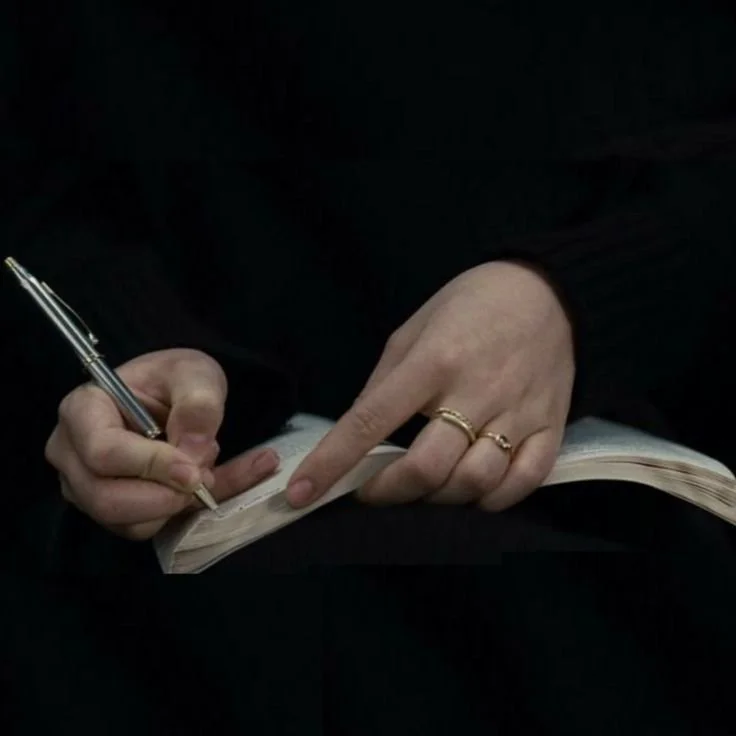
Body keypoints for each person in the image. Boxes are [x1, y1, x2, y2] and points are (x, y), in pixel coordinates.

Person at [3, 2, 736, 735]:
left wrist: (575, 297)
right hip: (209, 495)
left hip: (614, 450)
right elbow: (47, 186)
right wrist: (144, 355)